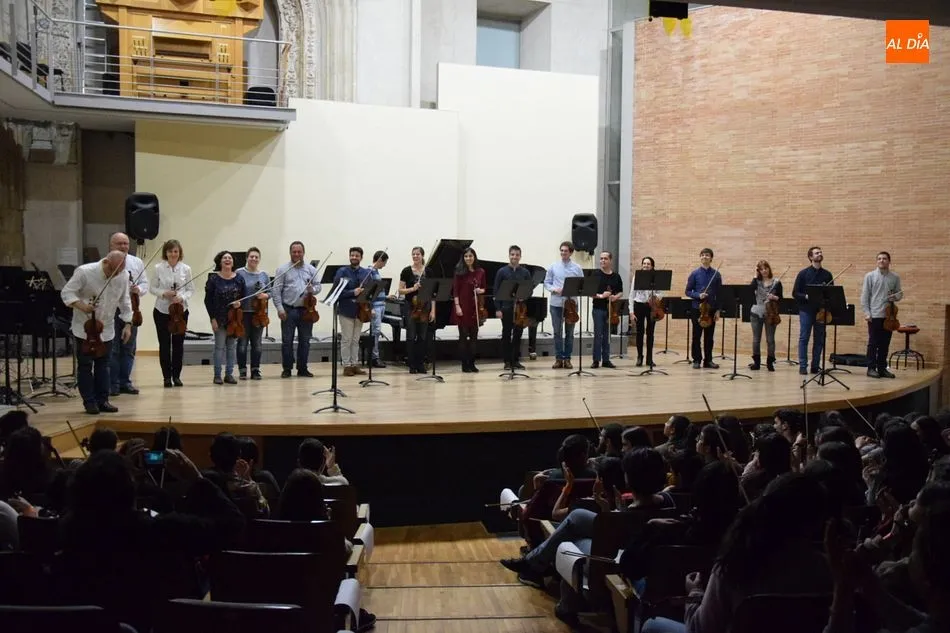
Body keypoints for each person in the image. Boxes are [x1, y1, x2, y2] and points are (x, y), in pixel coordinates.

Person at [61, 250, 132, 414]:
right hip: (85, 328)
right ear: (106, 262)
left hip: (106, 328)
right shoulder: (85, 272)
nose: (115, 275)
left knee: (104, 365)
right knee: (85, 365)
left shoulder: (122, 275)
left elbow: (125, 301)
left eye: (120, 271)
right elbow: (67, 292)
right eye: (112, 270)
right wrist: (82, 306)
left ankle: (103, 400)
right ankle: (89, 402)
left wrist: (128, 323)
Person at [271, 241, 321, 378]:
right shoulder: (282, 270)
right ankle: (287, 368)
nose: (297, 254)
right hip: (289, 309)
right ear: (290, 253)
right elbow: (276, 291)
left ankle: (302, 368)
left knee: (305, 341)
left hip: (307, 310)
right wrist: (280, 309)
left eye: (299, 252)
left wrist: (313, 289)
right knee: (287, 342)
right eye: (294, 252)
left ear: (303, 253)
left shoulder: (311, 269)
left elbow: (318, 287)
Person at [149, 239, 194, 388]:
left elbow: (191, 290)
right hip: (162, 310)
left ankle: (177, 376)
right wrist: (164, 293)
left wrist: (181, 297)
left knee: (178, 345)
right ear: (166, 253)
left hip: (181, 311)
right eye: (170, 251)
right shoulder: (158, 268)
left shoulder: (186, 269)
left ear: (179, 253)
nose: (173, 254)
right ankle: (166, 377)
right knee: (164, 345)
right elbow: (152, 288)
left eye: (176, 251)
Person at [107, 232, 146, 397]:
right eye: (119, 243)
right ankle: (113, 383)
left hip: (132, 308)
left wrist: (139, 289)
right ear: (111, 245)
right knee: (114, 349)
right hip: (112, 310)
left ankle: (125, 382)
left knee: (129, 349)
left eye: (126, 243)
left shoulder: (137, 262)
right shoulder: (107, 262)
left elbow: (145, 282)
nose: (123, 246)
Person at [204, 251, 246, 385]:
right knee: (219, 347)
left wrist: (240, 303)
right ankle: (217, 375)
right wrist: (212, 319)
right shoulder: (213, 279)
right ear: (220, 262)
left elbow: (244, 298)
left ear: (233, 262)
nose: (227, 260)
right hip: (219, 318)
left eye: (230, 258)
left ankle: (229, 374)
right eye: (224, 258)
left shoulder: (239, 278)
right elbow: (207, 301)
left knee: (231, 347)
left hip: (234, 319)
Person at [792, 245, 833, 376]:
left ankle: (815, 366)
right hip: (806, 310)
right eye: (816, 253)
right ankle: (803, 366)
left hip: (821, 311)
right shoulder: (803, 274)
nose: (819, 254)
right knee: (804, 338)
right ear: (810, 257)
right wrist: (807, 296)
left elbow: (831, 294)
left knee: (819, 339)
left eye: (820, 252)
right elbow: (795, 293)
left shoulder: (827, 275)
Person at [861, 251, 903, 379]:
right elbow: (865, 296)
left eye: (884, 259)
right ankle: (871, 368)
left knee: (885, 343)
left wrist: (894, 296)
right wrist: (867, 312)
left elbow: (900, 294)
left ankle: (882, 368)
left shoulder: (895, 277)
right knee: (873, 343)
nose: (881, 261)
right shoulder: (870, 276)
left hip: (889, 316)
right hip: (874, 314)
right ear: (876, 261)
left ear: (889, 261)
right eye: (879, 259)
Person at [543, 241, 584, 369]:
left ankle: (567, 358)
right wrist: (555, 289)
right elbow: (546, 283)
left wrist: (574, 290)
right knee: (557, 332)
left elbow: (581, 284)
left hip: (571, 304)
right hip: (556, 303)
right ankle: (558, 358)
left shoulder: (577, 268)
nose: (563, 253)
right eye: (561, 250)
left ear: (571, 252)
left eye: (565, 251)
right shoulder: (553, 267)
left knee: (570, 333)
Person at [493, 245, 533, 371]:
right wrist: (498, 309)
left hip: (520, 309)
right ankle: (507, 361)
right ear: (509, 255)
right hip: (506, 307)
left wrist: (524, 297)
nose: (514, 257)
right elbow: (496, 291)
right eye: (512, 254)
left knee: (518, 334)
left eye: (517, 255)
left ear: (520, 256)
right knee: (506, 334)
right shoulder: (502, 272)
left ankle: (515, 360)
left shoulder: (525, 272)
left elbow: (530, 290)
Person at [332, 247, 370, 377]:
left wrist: (370, 306)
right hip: (346, 310)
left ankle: (355, 364)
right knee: (346, 339)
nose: (354, 257)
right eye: (352, 255)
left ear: (361, 257)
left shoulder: (365, 273)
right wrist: (353, 292)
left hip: (360, 311)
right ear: (349, 256)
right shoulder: (342, 272)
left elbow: (369, 292)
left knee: (355, 340)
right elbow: (337, 292)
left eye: (357, 256)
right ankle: (347, 366)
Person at [235, 247, 270, 380]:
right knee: (242, 343)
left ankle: (255, 370)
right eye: (251, 256)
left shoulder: (264, 275)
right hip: (243, 313)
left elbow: (270, 292)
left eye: (256, 257)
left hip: (259, 314)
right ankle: (242, 370)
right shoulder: (239, 273)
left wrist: (265, 295)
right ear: (247, 258)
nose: (254, 259)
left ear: (259, 259)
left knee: (257, 344)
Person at [400, 246, 436, 374]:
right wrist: (412, 289)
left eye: (418, 254)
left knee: (422, 336)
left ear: (422, 256)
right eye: (413, 254)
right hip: (410, 306)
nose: (415, 256)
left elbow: (432, 293)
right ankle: (411, 364)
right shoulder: (406, 271)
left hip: (425, 307)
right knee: (411, 336)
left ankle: (420, 364)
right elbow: (400, 290)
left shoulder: (429, 271)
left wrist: (433, 311)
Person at [684, 247, 721, 370]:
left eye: (707, 255)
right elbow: (688, 291)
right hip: (697, 309)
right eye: (702, 255)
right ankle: (696, 359)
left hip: (711, 309)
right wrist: (698, 295)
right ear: (700, 257)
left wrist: (718, 310)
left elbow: (720, 293)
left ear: (711, 258)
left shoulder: (716, 274)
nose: (704, 257)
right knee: (696, 335)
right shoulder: (694, 274)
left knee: (709, 337)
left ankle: (708, 360)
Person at [451, 247, 487, 373]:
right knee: (463, 337)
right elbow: (455, 291)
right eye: (466, 256)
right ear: (463, 258)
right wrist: (457, 306)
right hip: (462, 306)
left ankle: (472, 363)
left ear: (474, 257)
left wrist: (480, 290)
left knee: (473, 337)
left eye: (470, 256)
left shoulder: (481, 271)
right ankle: (464, 364)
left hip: (475, 307)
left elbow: (484, 288)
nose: (468, 258)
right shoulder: (459, 272)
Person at [748, 259, 783, 371]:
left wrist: (775, 297)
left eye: (765, 268)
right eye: (761, 269)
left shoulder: (776, 282)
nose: (764, 271)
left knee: (770, 339)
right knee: (756, 339)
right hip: (756, 313)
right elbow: (749, 290)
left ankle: (770, 363)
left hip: (770, 313)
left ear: (769, 268)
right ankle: (756, 363)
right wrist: (754, 276)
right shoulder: (756, 282)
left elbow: (781, 298)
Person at [629, 256, 663, 368]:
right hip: (639, 305)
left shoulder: (656, 277)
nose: (646, 265)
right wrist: (631, 311)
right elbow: (632, 294)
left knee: (650, 332)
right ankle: (640, 357)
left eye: (648, 264)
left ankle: (649, 358)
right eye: (644, 263)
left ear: (652, 266)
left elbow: (660, 293)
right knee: (640, 332)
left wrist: (655, 296)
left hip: (651, 306)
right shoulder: (637, 276)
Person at [591, 251, 622, 369]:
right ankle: (596, 360)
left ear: (610, 260)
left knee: (607, 335)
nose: (602, 261)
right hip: (598, 308)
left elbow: (620, 291)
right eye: (601, 259)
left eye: (605, 259)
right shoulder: (595, 275)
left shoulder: (616, 276)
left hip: (611, 309)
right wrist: (601, 296)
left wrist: (615, 297)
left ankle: (606, 360)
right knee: (598, 335)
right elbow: (590, 292)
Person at [367, 250, 389, 369]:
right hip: (375, 306)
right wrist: (370, 307)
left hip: (381, 304)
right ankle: (374, 358)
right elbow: (369, 292)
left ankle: (375, 356)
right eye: (384, 262)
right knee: (375, 331)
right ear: (380, 260)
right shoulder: (370, 272)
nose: (384, 265)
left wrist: (386, 296)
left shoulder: (376, 272)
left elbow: (377, 291)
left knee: (376, 331)